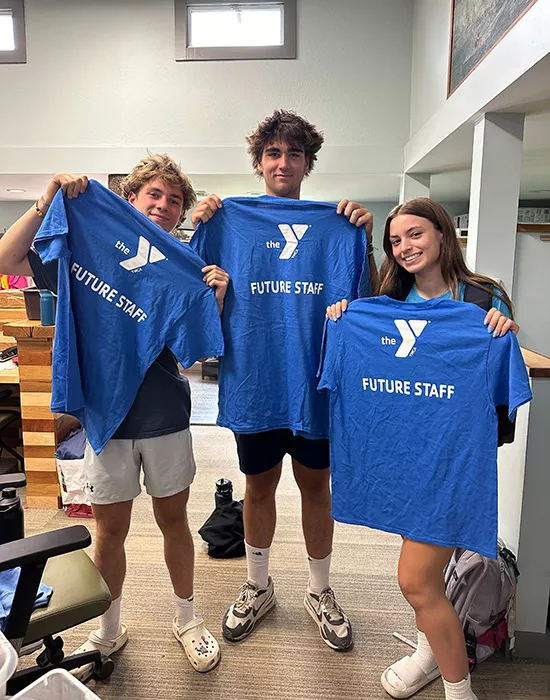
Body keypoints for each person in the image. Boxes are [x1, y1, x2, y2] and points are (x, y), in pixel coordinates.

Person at [0, 155, 229, 673]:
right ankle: (107, 630)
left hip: (166, 413)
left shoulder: (185, 264)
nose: (164, 207)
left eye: (174, 201)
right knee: (110, 530)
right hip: (106, 417)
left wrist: (212, 297)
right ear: (130, 199)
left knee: (174, 523)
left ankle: (187, 620)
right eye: (155, 195)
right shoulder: (91, 242)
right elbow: (6, 257)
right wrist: (47, 199)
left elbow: (197, 349)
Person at [191, 109, 378, 651]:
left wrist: (362, 236)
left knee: (317, 488)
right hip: (257, 379)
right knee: (258, 486)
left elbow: (363, 306)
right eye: (273, 153)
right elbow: (188, 288)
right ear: (258, 162)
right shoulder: (225, 221)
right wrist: (197, 224)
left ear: (308, 164)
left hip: (316, 382)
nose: (283, 162)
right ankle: (257, 584)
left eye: (294, 153)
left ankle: (319, 590)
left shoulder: (340, 224)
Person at [326, 197, 519, 700]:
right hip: (405, 455)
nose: (404, 246)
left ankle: (459, 691)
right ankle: (430, 651)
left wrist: (505, 333)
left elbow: (503, 387)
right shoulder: (386, 305)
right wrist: (346, 317)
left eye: (415, 234)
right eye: (395, 241)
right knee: (429, 576)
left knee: (414, 579)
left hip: (455, 462)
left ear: (440, 235)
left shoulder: (482, 302)